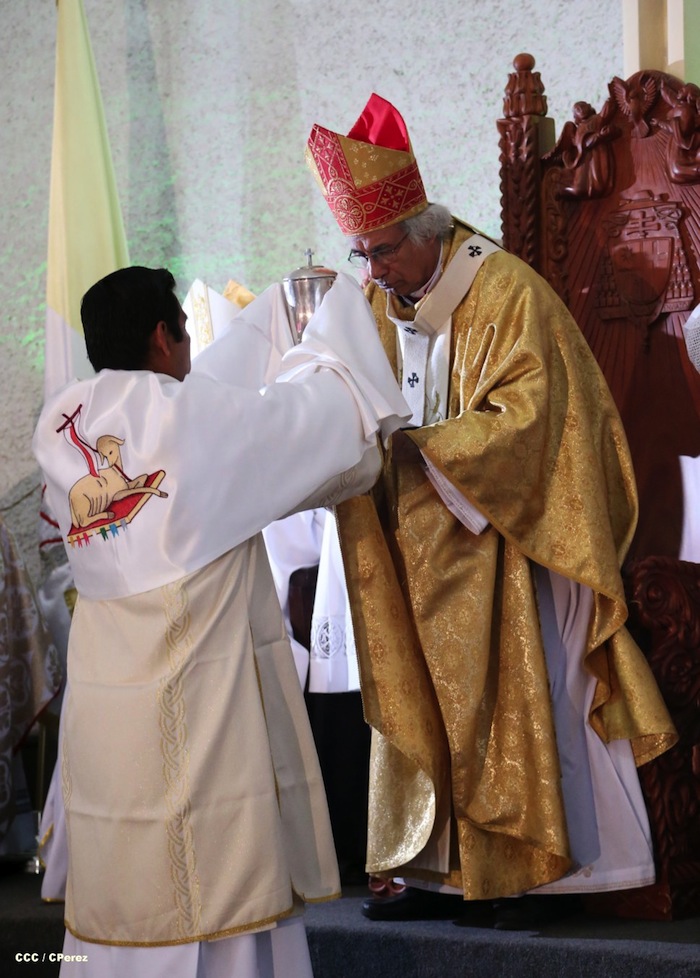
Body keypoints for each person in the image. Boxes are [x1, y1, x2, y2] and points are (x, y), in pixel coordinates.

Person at [305, 94, 677, 929]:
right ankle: (438, 874)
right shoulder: (377, 304)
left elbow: (533, 420)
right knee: (422, 702)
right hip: (417, 554)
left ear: (423, 227)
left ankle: (523, 872)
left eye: (381, 253)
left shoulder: (506, 291)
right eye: (358, 255)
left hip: (506, 548)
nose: (371, 275)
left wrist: (425, 450)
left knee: (515, 705)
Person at [32, 264, 409, 976]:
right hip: (194, 729)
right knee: (212, 904)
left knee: (124, 907)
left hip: (110, 732)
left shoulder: (64, 427)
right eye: (182, 331)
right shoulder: (196, 428)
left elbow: (202, 401)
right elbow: (326, 419)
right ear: (162, 338)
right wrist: (336, 314)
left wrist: (270, 315)